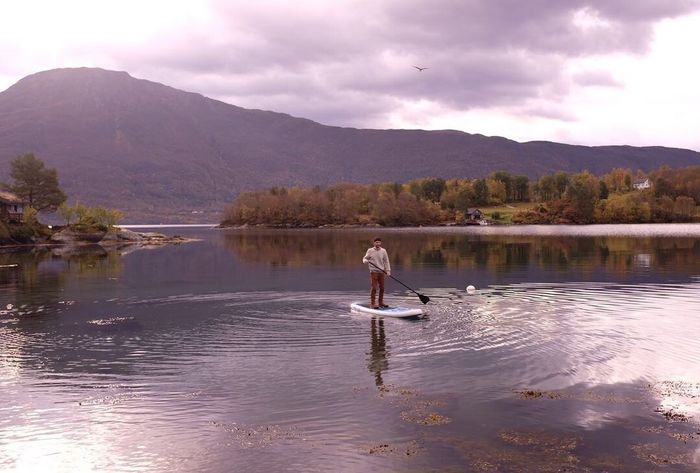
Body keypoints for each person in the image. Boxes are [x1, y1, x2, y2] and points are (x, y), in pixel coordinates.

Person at [362, 237, 391, 309]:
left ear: (381, 243)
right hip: (373, 271)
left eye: (379, 242)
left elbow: (386, 261)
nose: (377, 243)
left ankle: (380, 303)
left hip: (381, 271)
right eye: (376, 242)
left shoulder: (383, 251)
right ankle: (372, 304)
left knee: (382, 288)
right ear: (374, 243)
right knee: (374, 287)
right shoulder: (370, 250)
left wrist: (388, 270)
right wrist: (365, 261)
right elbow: (365, 258)